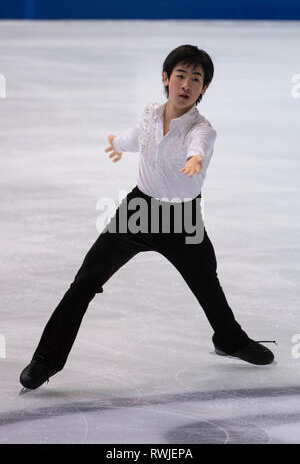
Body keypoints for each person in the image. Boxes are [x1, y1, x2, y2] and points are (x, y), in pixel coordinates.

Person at [19, 44, 276, 394]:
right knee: (85, 280)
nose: (186, 84)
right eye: (181, 75)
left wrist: (195, 159)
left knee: (207, 284)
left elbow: (197, 146)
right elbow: (136, 137)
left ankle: (230, 340)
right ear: (166, 78)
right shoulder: (149, 115)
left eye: (196, 79)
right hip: (138, 212)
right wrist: (118, 144)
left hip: (182, 220)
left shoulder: (202, 130)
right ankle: (46, 360)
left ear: (204, 89)